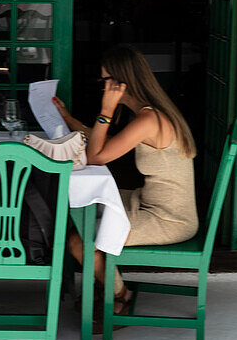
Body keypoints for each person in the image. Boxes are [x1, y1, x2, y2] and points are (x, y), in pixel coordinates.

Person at [53, 44, 198, 314]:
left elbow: (96, 156)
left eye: (106, 80)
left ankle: (120, 296)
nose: (102, 85)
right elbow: (106, 144)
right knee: (83, 208)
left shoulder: (149, 119)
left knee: (78, 239)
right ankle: (102, 282)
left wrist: (106, 110)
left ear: (123, 82)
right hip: (148, 203)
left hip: (168, 219)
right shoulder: (149, 113)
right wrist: (67, 118)